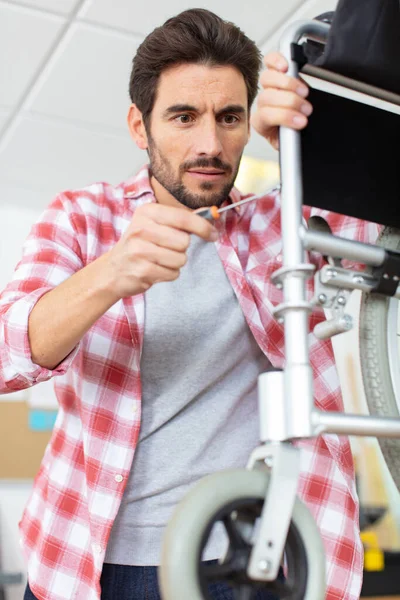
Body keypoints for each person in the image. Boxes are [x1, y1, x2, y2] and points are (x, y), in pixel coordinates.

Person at [0, 8, 379, 600]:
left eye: (230, 118)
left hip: (246, 559)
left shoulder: (279, 222)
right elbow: (8, 357)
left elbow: (376, 243)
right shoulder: (82, 217)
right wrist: (110, 274)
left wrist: (311, 151)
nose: (210, 145)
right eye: (183, 116)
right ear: (139, 125)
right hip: (85, 562)